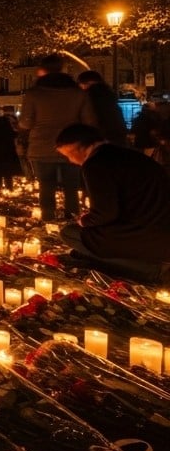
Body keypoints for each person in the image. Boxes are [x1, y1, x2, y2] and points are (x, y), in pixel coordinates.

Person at [54, 124, 170, 284]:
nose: (71, 161)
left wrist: (84, 220)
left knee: (69, 233)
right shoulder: (129, 154)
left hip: (142, 234)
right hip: (160, 228)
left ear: (79, 148)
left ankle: (149, 269)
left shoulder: (95, 164)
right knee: (85, 243)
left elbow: (105, 214)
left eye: (69, 154)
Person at [20, 54, 95, 221]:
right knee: (71, 186)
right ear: (63, 70)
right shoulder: (78, 93)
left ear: (42, 71)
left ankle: (48, 220)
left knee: (46, 186)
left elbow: (25, 123)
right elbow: (89, 121)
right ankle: (73, 221)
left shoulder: (34, 94)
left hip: (42, 146)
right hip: (72, 147)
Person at [76, 70, 128, 147]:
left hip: (99, 138)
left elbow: (91, 120)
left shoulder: (88, 97)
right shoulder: (109, 95)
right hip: (116, 136)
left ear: (86, 83)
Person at [0, 106, 21, 190]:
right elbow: (15, 134)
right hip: (7, 152)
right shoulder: (7, 127)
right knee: (7, 172)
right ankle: (9, 187)